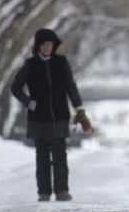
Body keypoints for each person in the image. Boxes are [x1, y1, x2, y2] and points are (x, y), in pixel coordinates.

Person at [10, 28, 91, 202]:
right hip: (39, 118)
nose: (47, 48)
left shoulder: (61, 63)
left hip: (60, 116)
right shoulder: (30, 65)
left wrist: (79, 109)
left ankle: (62, 190)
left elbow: (71, 87)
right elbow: (15, 87)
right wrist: (29, 102)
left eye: (50, 45)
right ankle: (44, 192)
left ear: (54, 46)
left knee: (60, 155)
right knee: (42, 156)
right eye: (44, 45)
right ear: (38, 46)